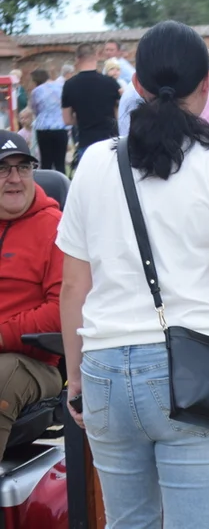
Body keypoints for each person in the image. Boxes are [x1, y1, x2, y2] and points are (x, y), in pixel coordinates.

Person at [56, 20, 209, 528]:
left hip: (104, 368)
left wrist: (74, 379)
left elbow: (73, 287)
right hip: (194, 366)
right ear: (207, 85)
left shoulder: (92, 163)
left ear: (135, 86)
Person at [0, 130, 64, 458]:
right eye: (3, 169)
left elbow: (61, 311)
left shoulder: (55, 226)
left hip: (34, 363)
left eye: (23, 168)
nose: (15, 178)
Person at [61, 43, 122, 170]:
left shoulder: (69, 85)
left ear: (77, 59)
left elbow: (67, 119)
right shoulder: (111, 83)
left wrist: (83, 117)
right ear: (96, 57)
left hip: (86, 141)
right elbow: (119, 113)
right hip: (110, 141)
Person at [29, 68, 67, 173]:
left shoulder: (36, 91)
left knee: (46, 162)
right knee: (60, 162)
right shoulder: (61, 87)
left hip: (43, 127)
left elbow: (34, 108)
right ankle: (63, 185)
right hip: (60, 126)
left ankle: (47, 186)